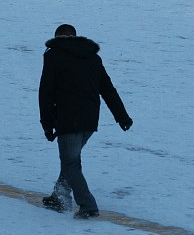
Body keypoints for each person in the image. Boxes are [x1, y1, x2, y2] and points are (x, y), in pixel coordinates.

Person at [39, 24, 133, 219]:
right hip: (90, 120)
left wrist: (47, 124)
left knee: (71, 162)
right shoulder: (93, 57)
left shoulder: (53, 56)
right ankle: (60, 196)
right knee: (71, 159)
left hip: (67, 118)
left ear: (57, 38)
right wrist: (122, 117)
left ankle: (88, 205)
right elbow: (108, 90)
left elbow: (46, 93)